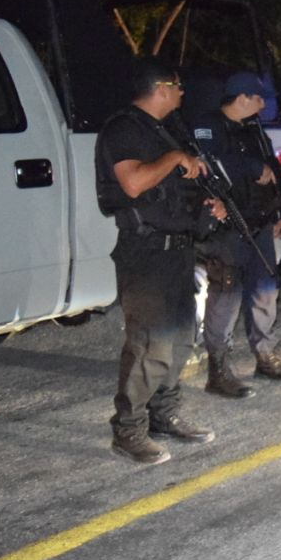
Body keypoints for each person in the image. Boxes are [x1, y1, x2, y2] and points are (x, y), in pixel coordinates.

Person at [94, 62, 219, 465]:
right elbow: (133, 183)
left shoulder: (166, 130)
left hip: (178, 249)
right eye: (178, 86)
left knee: (181, 338)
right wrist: (175, 157)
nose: (183, 93)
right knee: (150, 344)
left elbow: (176, 190)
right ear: (161, 88)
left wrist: (207, 205)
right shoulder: (123, 129)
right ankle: (128, 430)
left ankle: (164, 415)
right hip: (145, 253)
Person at [194, 71, 281, 397]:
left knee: (265, 290)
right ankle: (218, 370)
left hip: (259, 222)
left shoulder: (254, 131)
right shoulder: (207, 126)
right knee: (227, 295)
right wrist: (252, 168)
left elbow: (275, 174)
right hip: (227, 225)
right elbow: (211, 163)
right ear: (242, 98)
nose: (262, 105)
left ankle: (266, 357)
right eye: (259, 98)